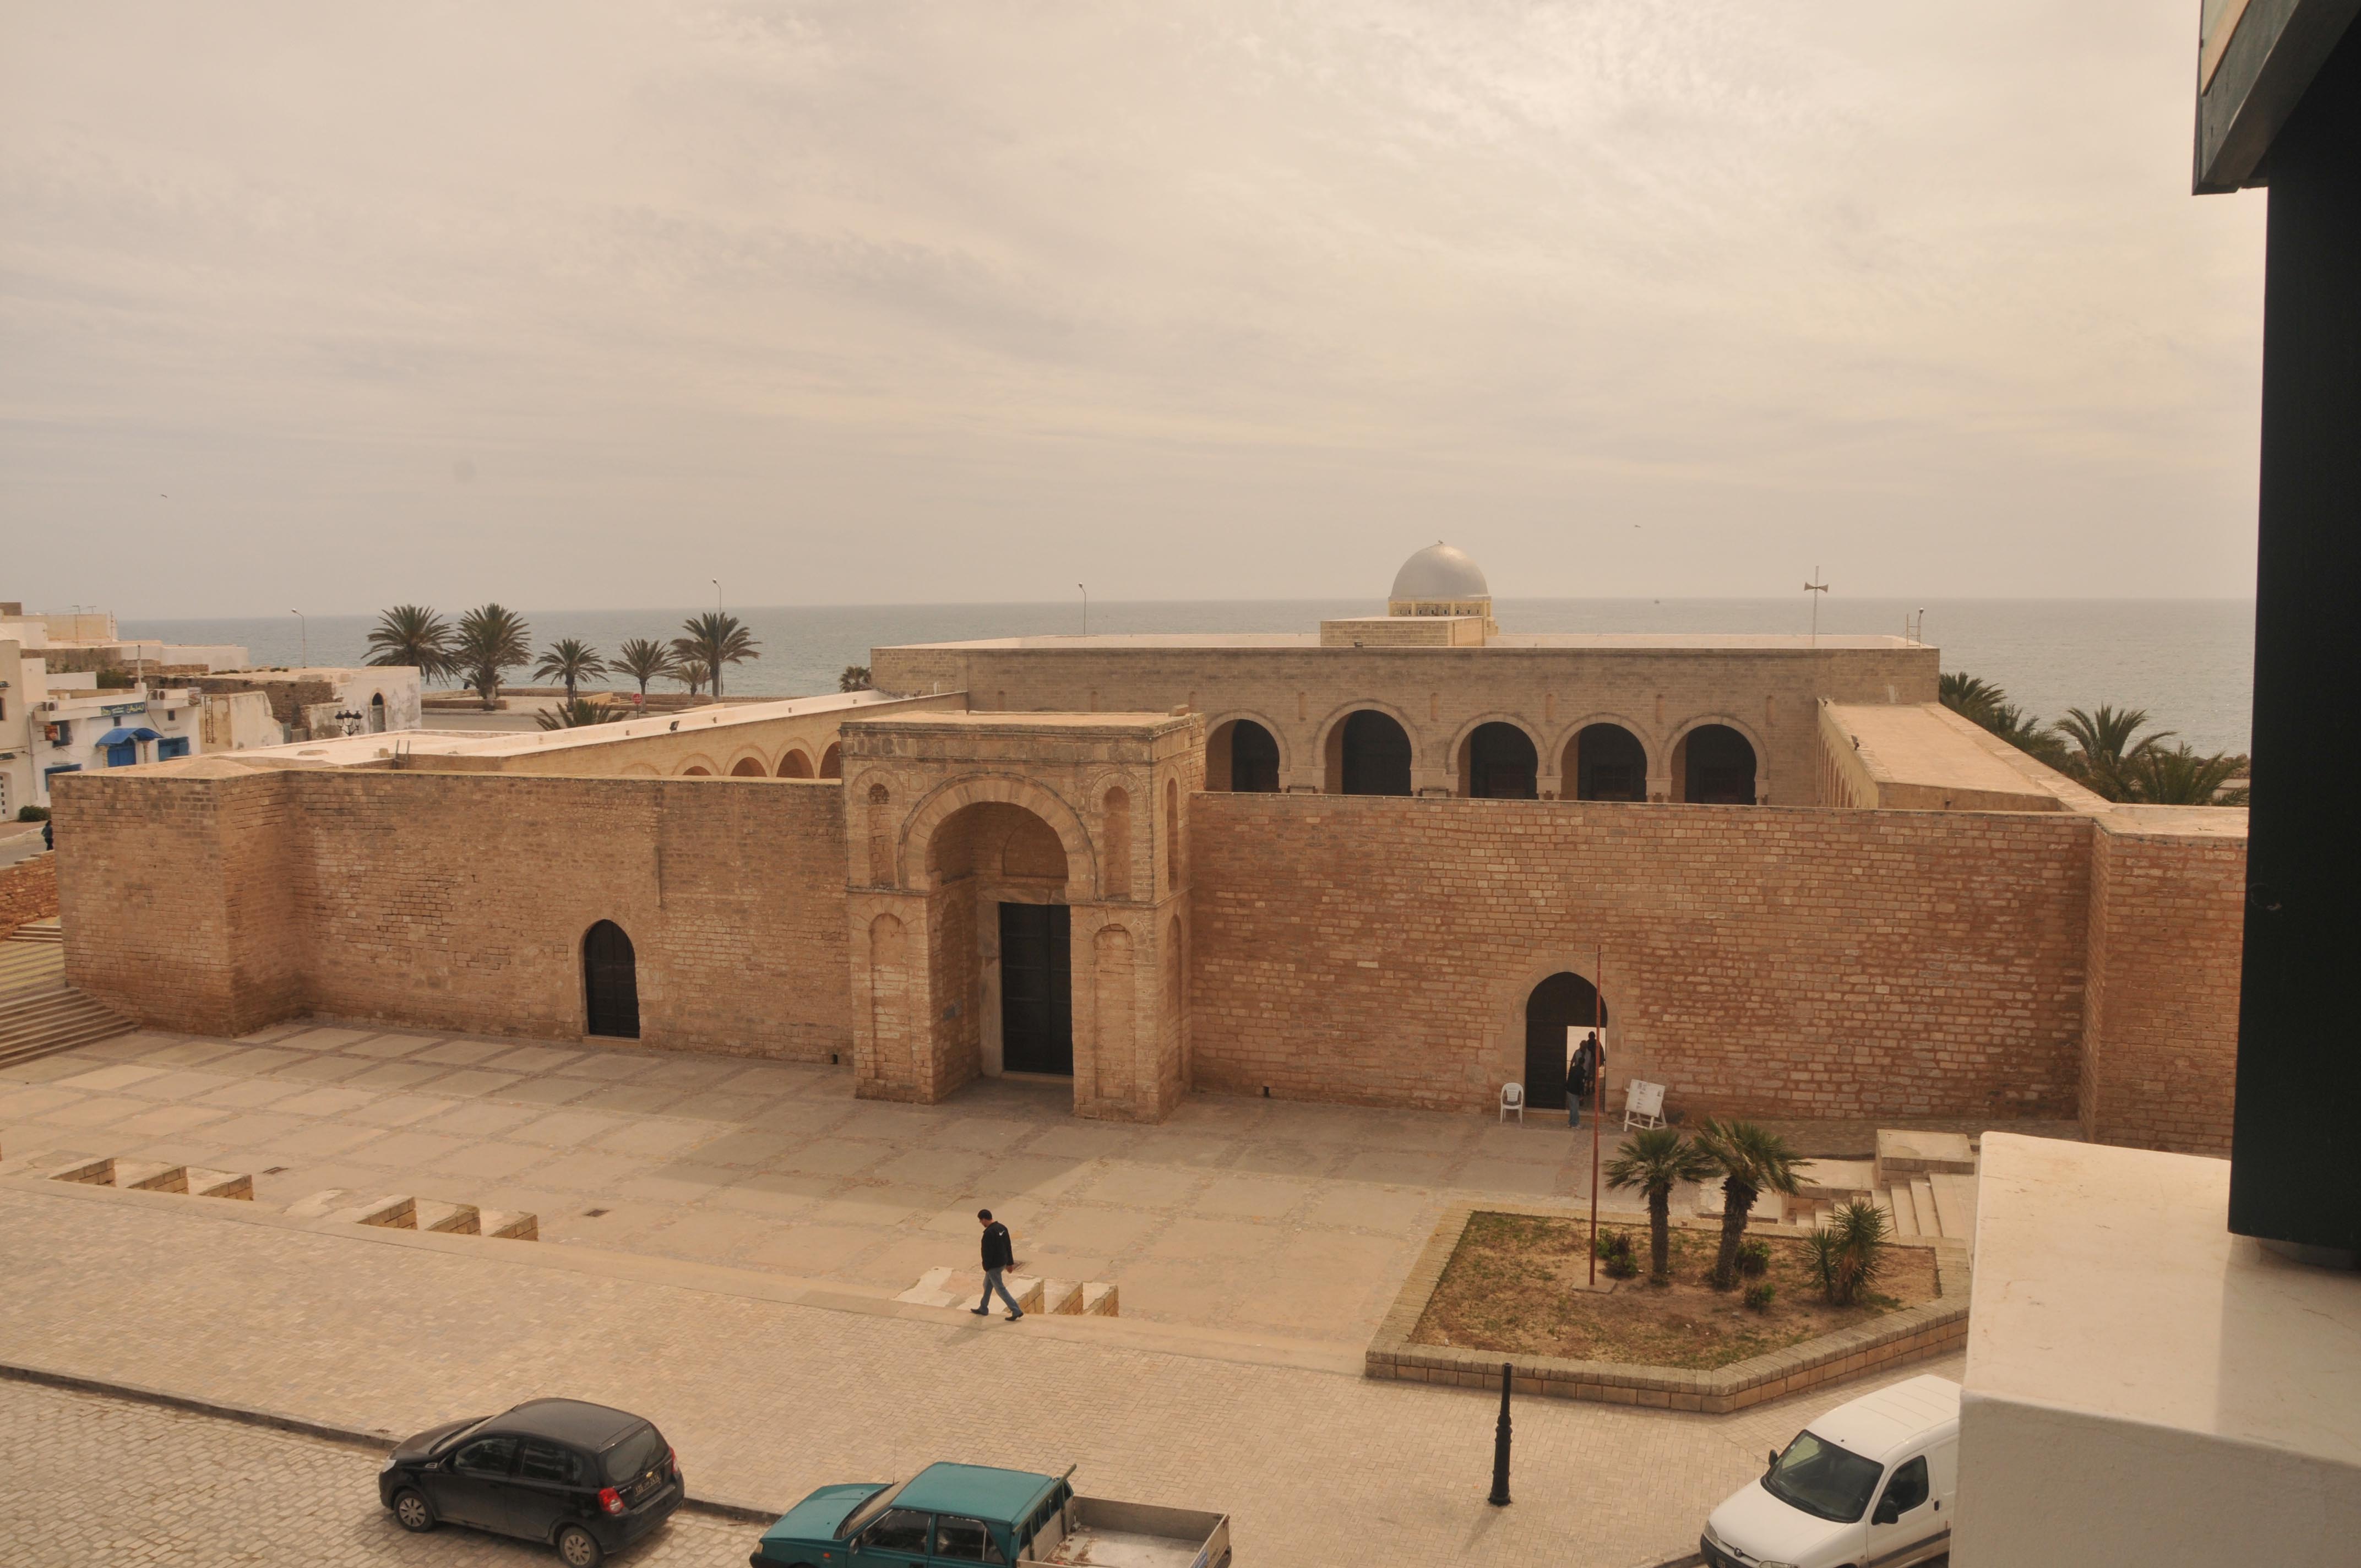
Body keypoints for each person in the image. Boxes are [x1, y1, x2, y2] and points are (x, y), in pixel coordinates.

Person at [971, 1208, 1025, 1321]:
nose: (981, 1223)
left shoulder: (989, 1233)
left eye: (981, 1221)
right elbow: (1008, 1246)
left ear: (985, 1219)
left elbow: (986, 1252)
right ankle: (983, 1307)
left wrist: (986, 1267)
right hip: (1002, 1263)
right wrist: (1010, 1263)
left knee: (1000, 1289)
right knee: (987, 1284)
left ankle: (1016, 1310)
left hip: (993, 1266)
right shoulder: (1002, 1228)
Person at [1568, 1030, 1602, 1129]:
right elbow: (1572, 1061)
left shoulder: (1589, 1053)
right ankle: (1574, 1123)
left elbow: (1591, 1063)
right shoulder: (1577, 1053)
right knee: (1575, 1106)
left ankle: (1572, 1122)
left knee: (1573, 1105)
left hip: (1584, 1073)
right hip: (1578, 1077)